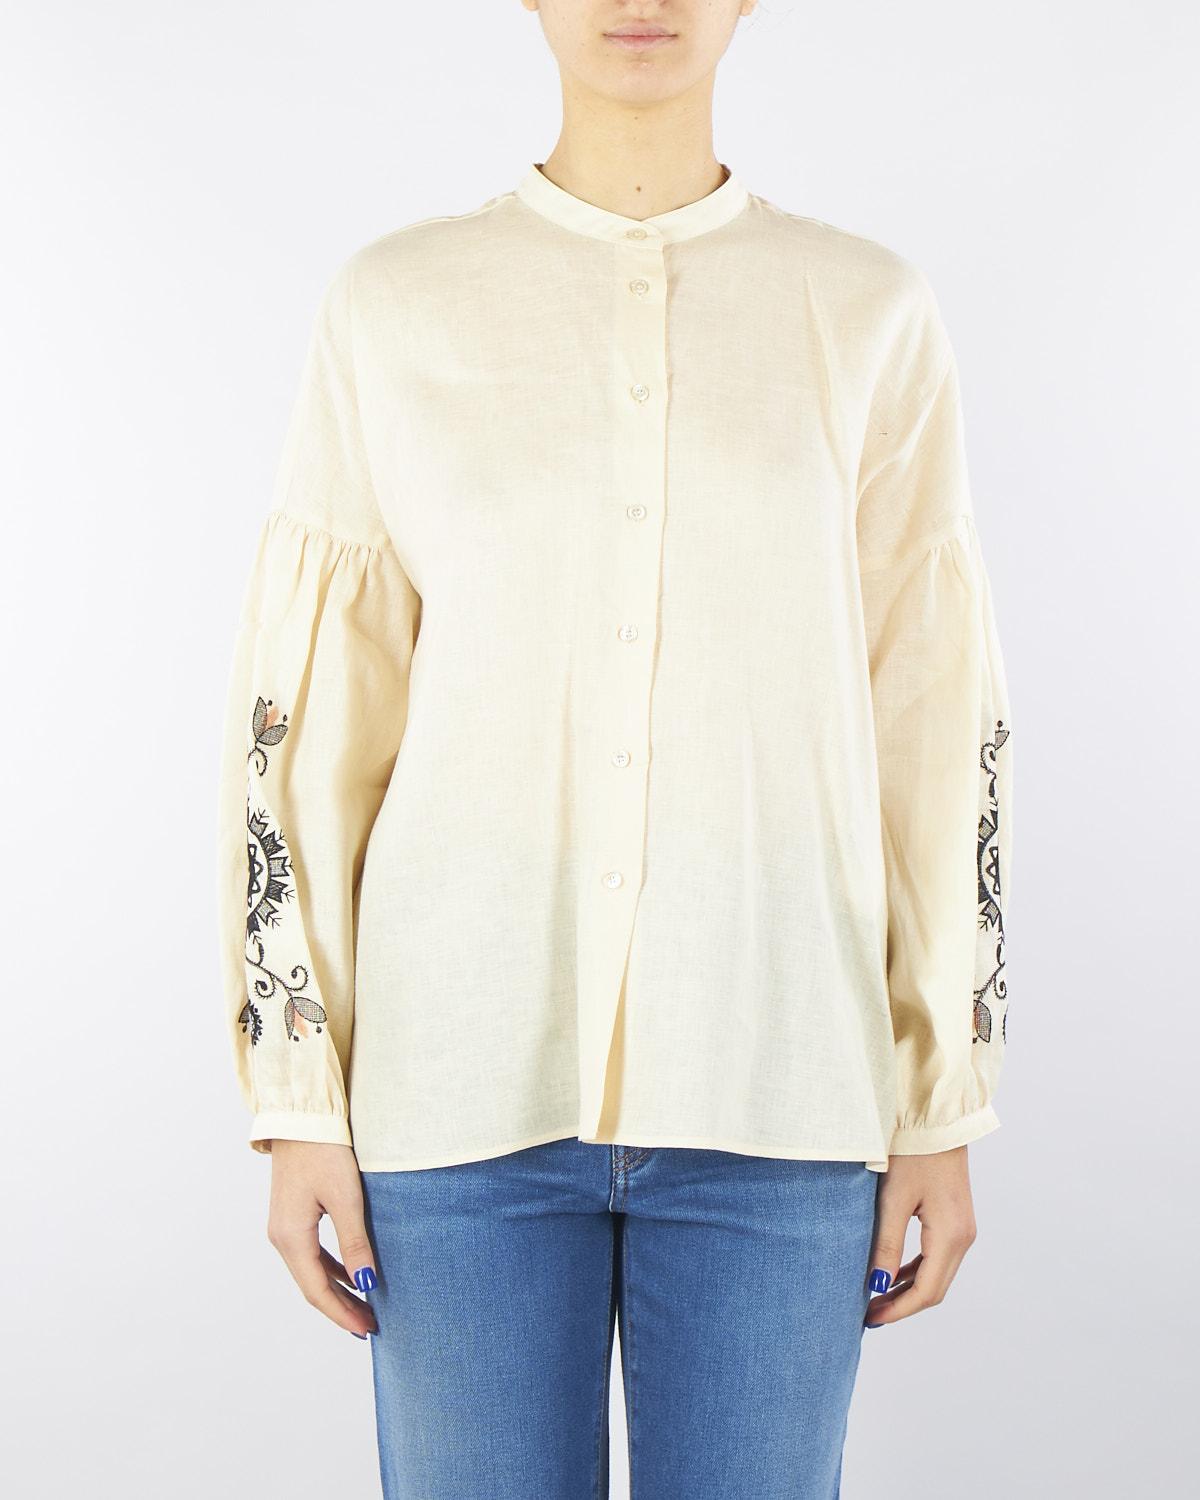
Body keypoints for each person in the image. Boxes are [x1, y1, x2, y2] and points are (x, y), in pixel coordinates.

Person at [215, 2, 1014, 1495]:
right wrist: (299, 1097)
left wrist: (939, 1099)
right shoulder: (397, 306)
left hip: (783, 1083)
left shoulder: (867, 313)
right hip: (456, 1097)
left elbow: (931, 720)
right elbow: (317, 729)